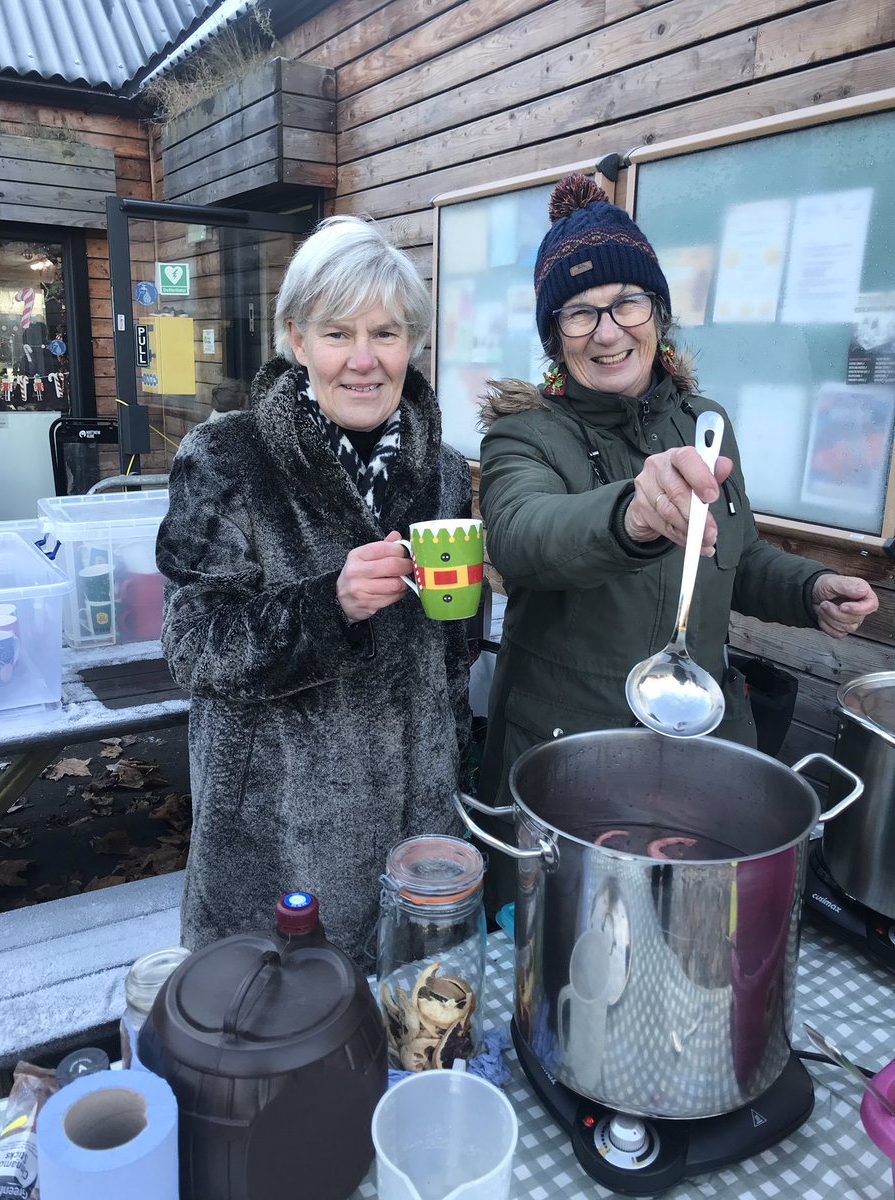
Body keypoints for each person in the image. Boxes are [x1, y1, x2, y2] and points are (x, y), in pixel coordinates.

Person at [477, 173, 878, 835]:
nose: (607, 333)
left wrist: (811, 589)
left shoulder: (705, 422)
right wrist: (629, 515)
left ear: (658, 313)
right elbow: (523, 536)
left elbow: (736, 556)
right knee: (562, 933)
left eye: (626, 303)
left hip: (701, 754)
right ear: (555, 335)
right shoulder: (525, 434)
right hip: (564, 762)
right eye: (579, 312)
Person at [156, 215, 471, 965]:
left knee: (411, 1042)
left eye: (387, 334)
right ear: (296, 339)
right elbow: (193, 645)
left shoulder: (448, 474)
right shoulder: (227, 457)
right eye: (337, 334)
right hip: (275, 847)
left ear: (413, 344)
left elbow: (452, 661)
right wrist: (329, 606)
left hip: (416, 840)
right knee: (275, 1055)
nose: (364, 361)